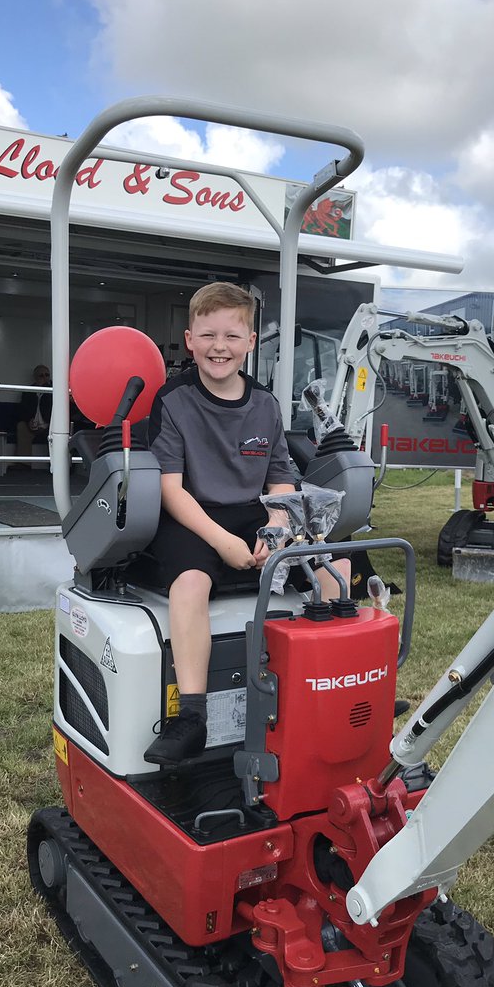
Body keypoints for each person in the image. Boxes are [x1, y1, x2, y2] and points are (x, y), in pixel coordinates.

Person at [143, 281, 348, 768]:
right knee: (190, 585)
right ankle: (191, 717)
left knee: (334, 567)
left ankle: (336, 692)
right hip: (193, 516)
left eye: (233, 337)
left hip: (256, 513)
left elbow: (280, 480)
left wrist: (275, 527)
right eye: (209, 335)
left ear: (251, 342)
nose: (220, 347)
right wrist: (223, 542)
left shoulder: (265, 405)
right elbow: (171, 489)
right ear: (190, 339)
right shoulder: (171, 402)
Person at [14, 364, 52, 466]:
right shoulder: (28, 391)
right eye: (41, 375)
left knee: (57, 431)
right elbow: (22, 410)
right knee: (21, 426)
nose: (45, 378)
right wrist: (28, 420)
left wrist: (47, 387)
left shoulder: (55, 390)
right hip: (32, 425)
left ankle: (55, 466)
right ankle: (24, 464)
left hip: (49, 424)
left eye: (47, 375)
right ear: (35, 377)